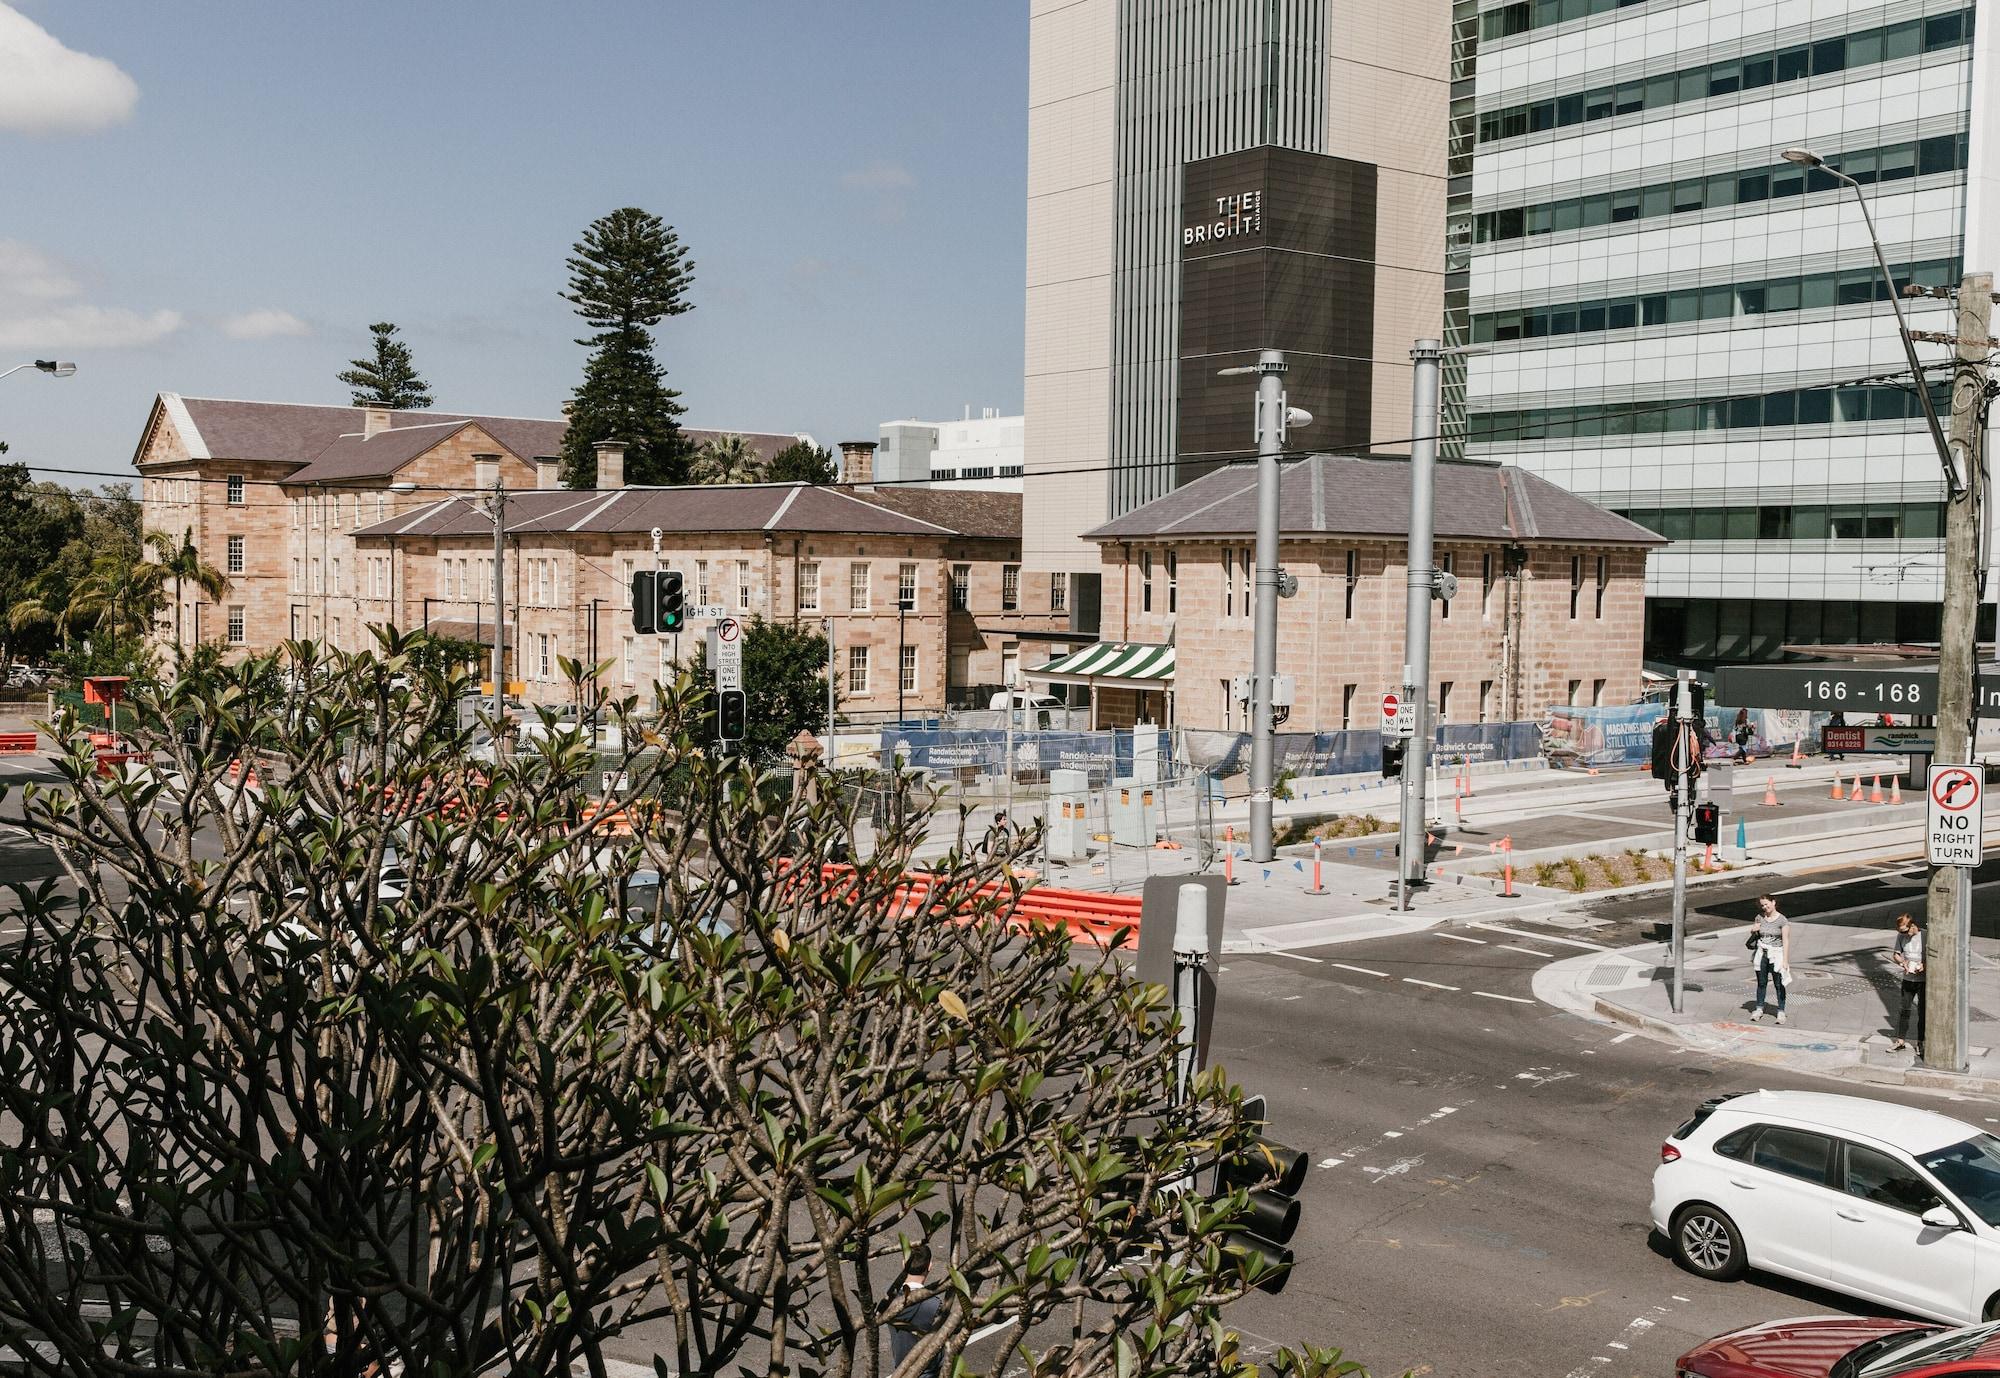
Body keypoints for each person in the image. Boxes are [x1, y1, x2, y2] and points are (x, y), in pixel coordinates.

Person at [889, 1243, 944, 1378]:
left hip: (901, 1370)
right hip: (928, 1372)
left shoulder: (890, 1302)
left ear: (903, 1264)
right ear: (929, 1266)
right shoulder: (934, 1305)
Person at [1748, 894, 1791, 1025]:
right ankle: (1759, 1008)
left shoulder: (1782, 920)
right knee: (1761, 983)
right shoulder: (1759, 917)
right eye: (1762, 905)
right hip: (1762, 954)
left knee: (1779, 984)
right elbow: (1755, 935)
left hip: (1776, 954)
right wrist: (1753, 930)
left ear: (1773, 902)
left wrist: (1785, 960)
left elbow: (1786, 941)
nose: (1765, 907)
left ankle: (1781, 1011)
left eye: (1767, 904)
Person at [1889, 911, 1926, 1053]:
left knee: (1923, 1012)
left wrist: (1924, 965)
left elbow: (1933, 956)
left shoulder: (1925, 935)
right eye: (1900, 932)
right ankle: (1900, 1041)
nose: (1904, 935)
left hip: (1923, 980)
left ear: (1912, 925)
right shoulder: (1901, 936)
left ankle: (1921, 1042)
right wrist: (1902, 962)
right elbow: (1896, 954)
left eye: (1905, 931)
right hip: (1908, 978)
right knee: (1904, 1010)